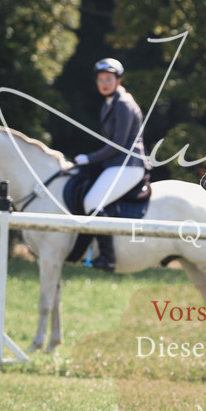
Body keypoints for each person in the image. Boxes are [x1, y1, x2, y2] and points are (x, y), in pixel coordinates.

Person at [73, 58, 150, 271]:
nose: (104, 84)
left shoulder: (123, 104)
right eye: (100, 80)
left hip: (129, 164)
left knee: (91, 203)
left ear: (118, 80)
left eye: (108, 79)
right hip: (116, 164)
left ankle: (108, 257)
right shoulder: (109, 104)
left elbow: (117, 145)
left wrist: (89, 158)